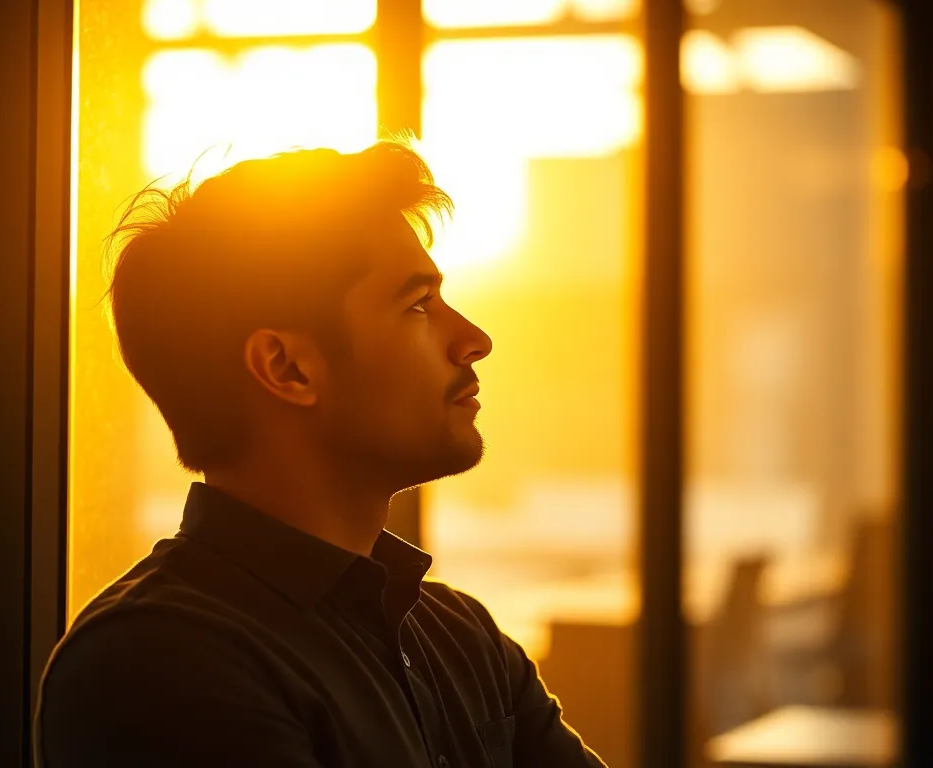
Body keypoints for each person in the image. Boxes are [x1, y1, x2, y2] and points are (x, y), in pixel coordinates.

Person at [35, 141, 608, 767]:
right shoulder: (155, 660)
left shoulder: (460, 637)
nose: (475, 339)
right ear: (287, 368)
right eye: (417, 305)